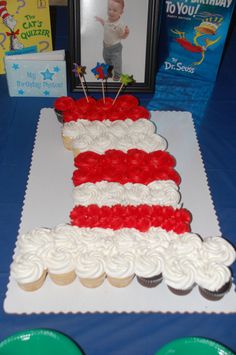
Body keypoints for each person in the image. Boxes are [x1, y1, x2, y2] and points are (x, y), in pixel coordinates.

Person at [95, 0, 129, 81]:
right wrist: (101, 21)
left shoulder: (120, 25)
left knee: (116, 62)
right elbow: (106, 26)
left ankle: (117, 75)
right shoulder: (109, 19)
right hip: (106, 46)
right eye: (109, 9)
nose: (111, 12)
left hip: (115, 47)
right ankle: (109, 71)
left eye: (114, 10)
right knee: (106, 58)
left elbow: (123, 37)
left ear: (121, 12)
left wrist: (126, 33)